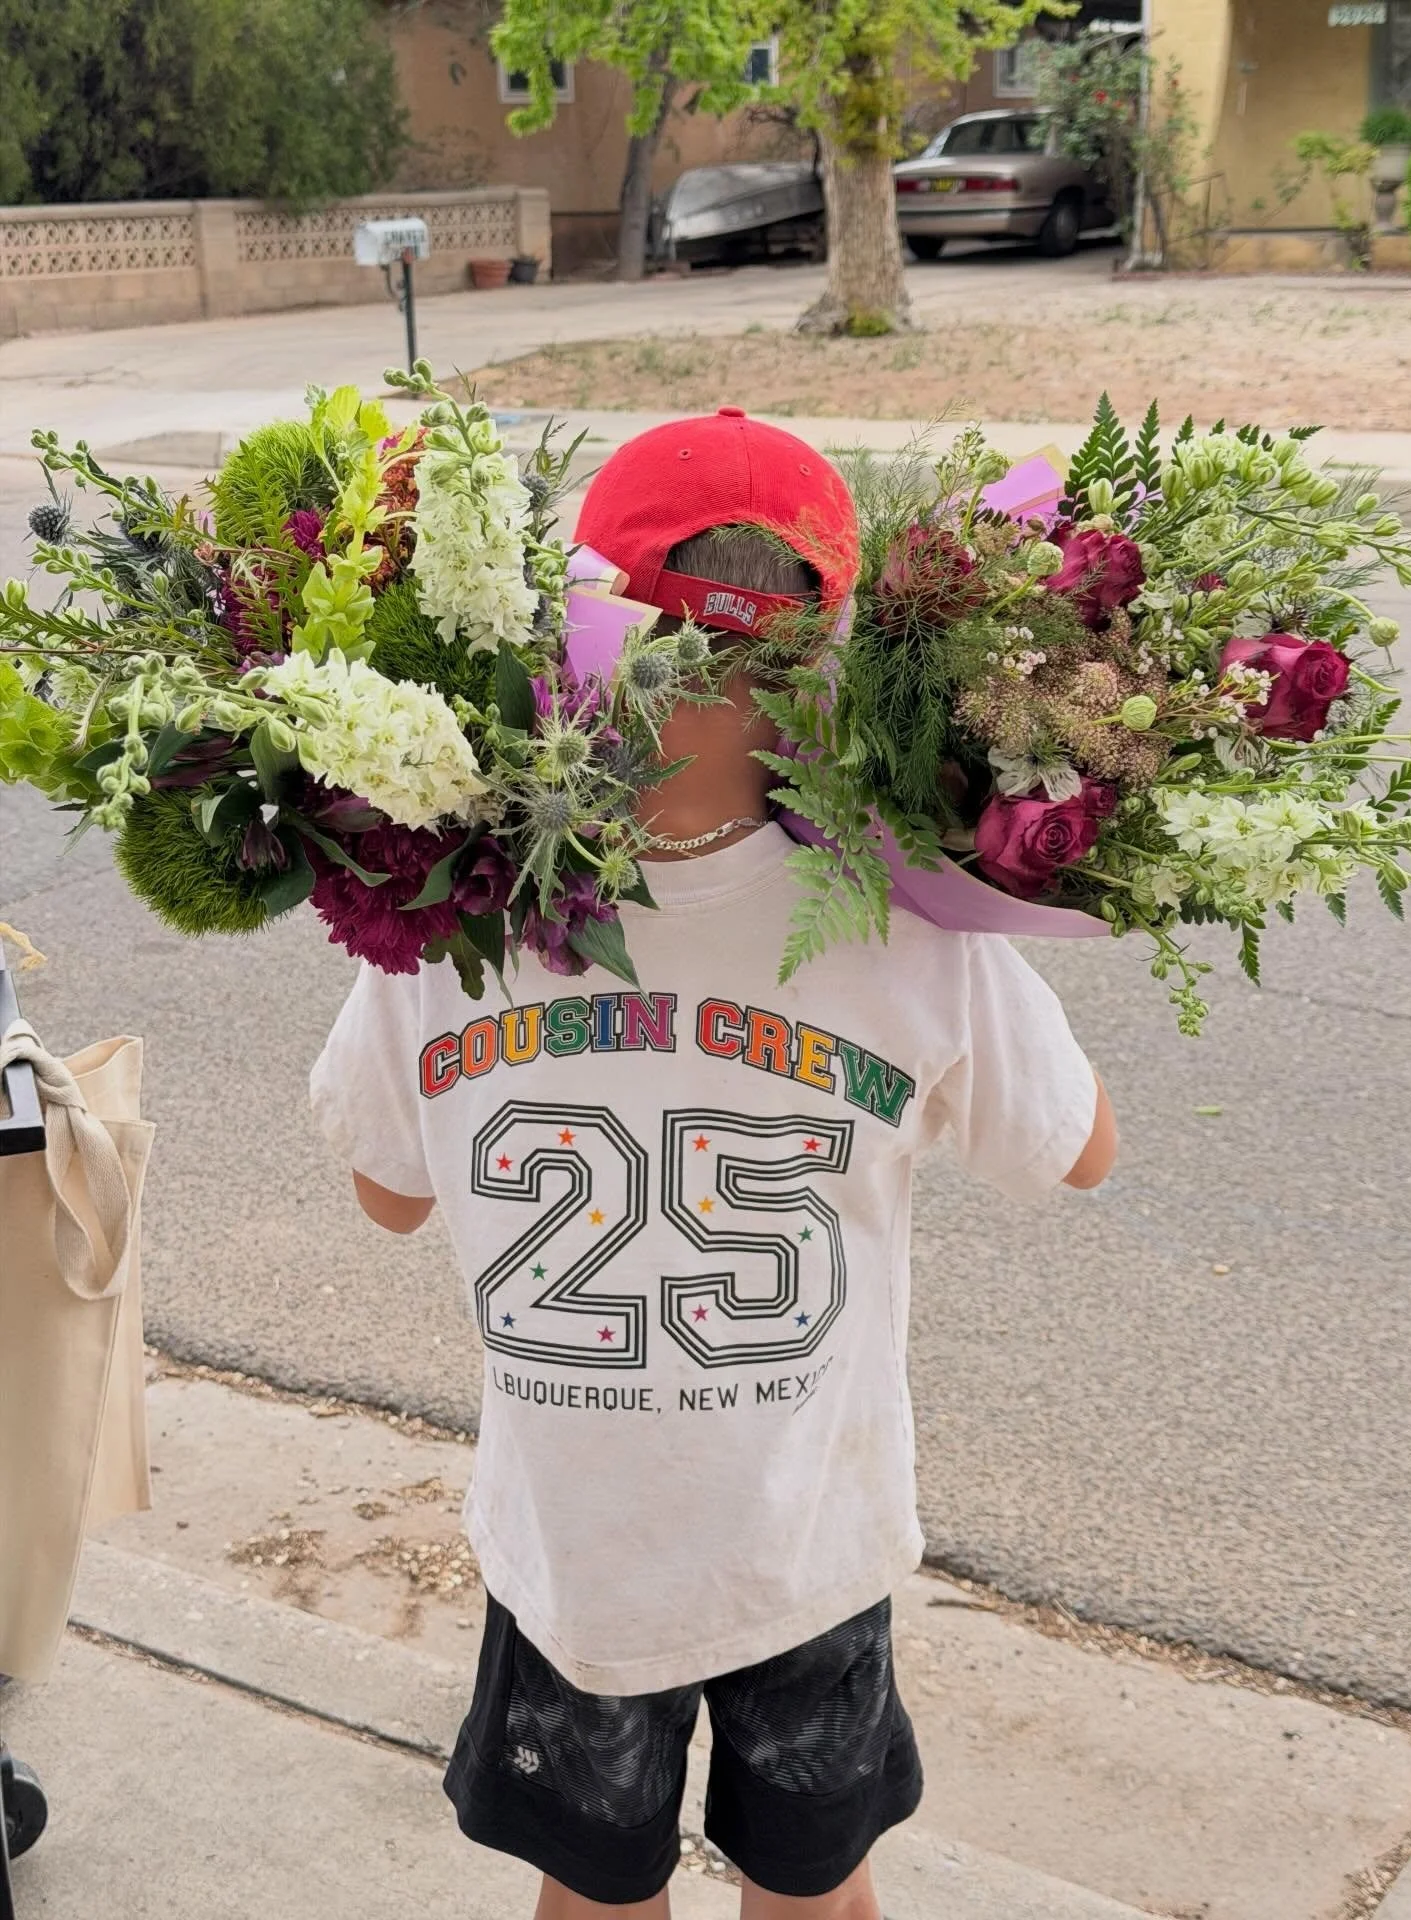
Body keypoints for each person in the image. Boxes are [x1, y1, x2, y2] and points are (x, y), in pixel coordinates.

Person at [310, 408, 1117, 1920]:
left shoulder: (442, 914)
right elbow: (1077, 1151)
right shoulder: (908, 927)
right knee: (817, 1890)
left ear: (572, 629)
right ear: (839, 660)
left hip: (576, 1553)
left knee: (594, 1895)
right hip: (803, 1540)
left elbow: (384, 1189)